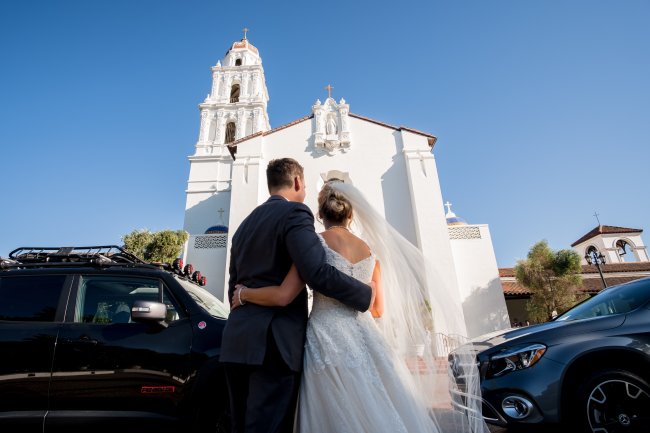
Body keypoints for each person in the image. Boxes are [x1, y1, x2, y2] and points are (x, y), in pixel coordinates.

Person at [231, 181, 488, 433]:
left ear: (320, 214)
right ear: (351, 213)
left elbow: (285, 293)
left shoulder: (313, 244)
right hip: (366, 336)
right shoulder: (370, 251)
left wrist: (244, 294)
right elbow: (377, 308)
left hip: (325, 334)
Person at [219, 158, 374, 433]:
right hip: (274, 346)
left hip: (237, 342)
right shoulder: (294, 214)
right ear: (298, 182)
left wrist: (245, 297)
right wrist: (364, 293)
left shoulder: (242, 228)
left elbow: (234, 289)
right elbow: (315, 271)